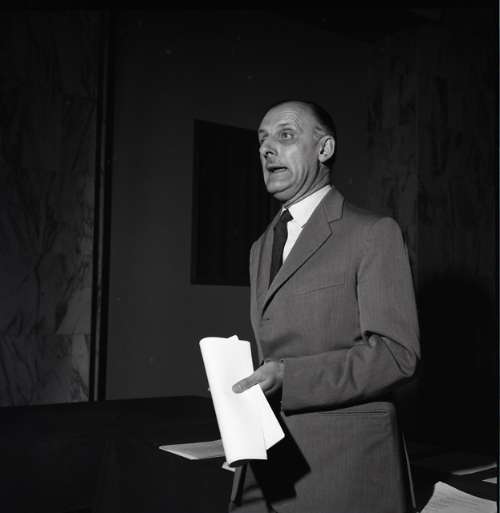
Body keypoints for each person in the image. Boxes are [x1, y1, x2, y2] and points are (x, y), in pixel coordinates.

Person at [230, 100, 420, 513]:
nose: (267, 149)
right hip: (265, 466)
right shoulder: (260, 247)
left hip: (344, 471)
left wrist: (289, 377)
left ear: (324, 149)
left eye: (285, 135)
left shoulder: (373, 233)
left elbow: (397, 355)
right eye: (262, 140)